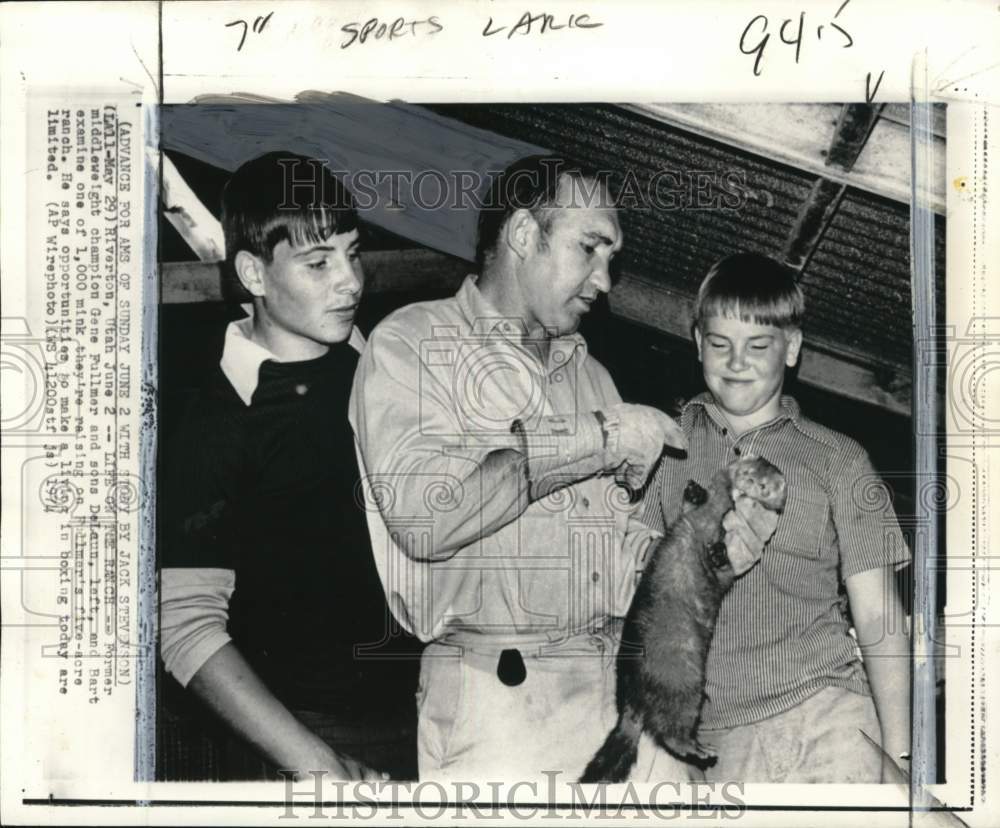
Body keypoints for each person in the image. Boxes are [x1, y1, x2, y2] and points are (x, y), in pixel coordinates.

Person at [349, 156, 776, 782]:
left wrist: (714, 562)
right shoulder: (412, 343)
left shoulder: (593, 376)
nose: (606, 280)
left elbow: (624, 560)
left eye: (611, 257)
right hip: (498, 705)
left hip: (620, 697)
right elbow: (425, 517)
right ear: (524, 235)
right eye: (590, 249)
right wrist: (596, 439)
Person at [159, 151, 422, 781]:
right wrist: (318, 763)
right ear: (253, 272)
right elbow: (184, 626)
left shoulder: (377, 363)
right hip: (307, 743)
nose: (351, 282)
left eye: (352, 253)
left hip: (422, 718)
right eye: (317, 263)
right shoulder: (216, 422)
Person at [639, 252, 912, 783]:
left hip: (826, 719)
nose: (736, 361)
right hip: (716, 741)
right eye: (720, 344)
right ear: (697, 343)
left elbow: (880, 619)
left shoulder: (840, 459)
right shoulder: (660, 449)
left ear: (792, 349)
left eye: (759, 345)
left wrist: (900, 759)